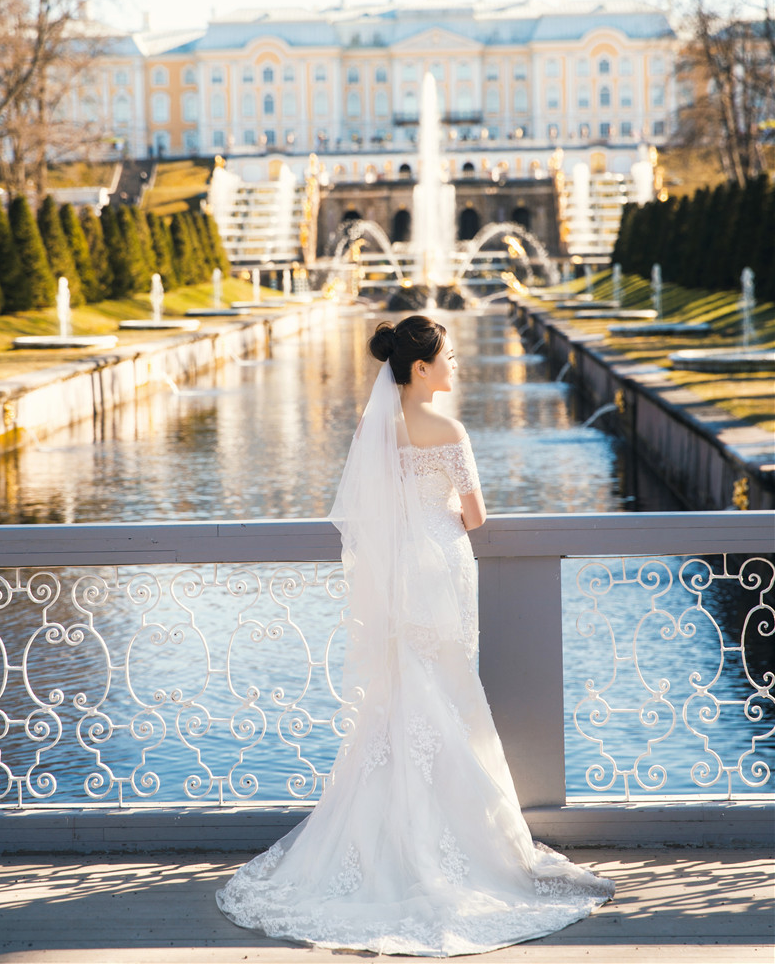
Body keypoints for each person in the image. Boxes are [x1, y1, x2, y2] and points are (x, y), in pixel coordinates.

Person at [216, 315, 614, 955]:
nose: (456, 364)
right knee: (451, 693)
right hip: (444, 569)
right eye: (448, 356)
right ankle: (460, 842)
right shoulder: (449, 431)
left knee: (403, 694)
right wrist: (441, 511)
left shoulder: (373, 430)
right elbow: (475, 516)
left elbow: (366, 512)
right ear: (421, 367)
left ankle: (387, 841)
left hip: (401, 576)